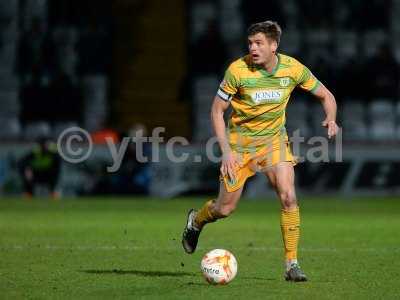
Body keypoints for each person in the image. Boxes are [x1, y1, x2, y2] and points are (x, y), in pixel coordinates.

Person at [182, 21, 339, 282]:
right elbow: (216, 111)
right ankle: (196, 221)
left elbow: (327, 96)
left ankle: (292, 264)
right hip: (239, 147)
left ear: (274, 45)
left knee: (289, 197)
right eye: (250, 43)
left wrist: (331, 118)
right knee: (224, 209)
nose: (253, 48)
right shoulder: (237, 70)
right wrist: (226, 152)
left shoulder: (293, 69)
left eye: (259, 43)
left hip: (274, 143)